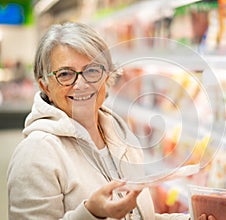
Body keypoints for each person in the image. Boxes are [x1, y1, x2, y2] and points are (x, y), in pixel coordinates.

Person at [7, 21, 192, 220]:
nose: (81, 84)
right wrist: (91, 214)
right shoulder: (36, 152)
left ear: (107, 75)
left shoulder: (120, 135)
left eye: (92, 70)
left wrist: (191, 218)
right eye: (65, 74)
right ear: (45, 86)